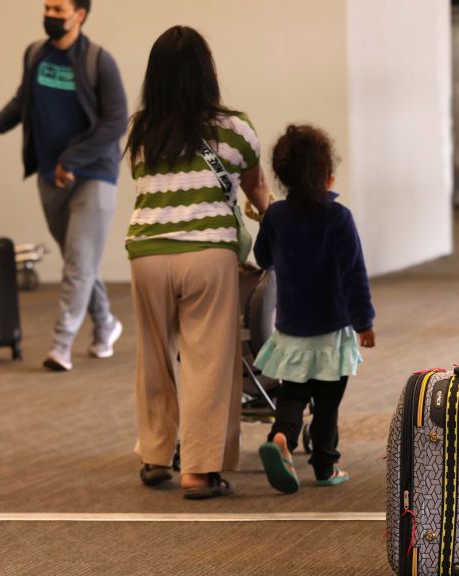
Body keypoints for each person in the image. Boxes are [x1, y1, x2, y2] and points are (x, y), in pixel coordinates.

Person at [124, 26, 272, 500]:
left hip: (147, 252)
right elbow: (259, 193)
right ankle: (201, 470)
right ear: (208, 74)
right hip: (208, 254)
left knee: (154, 355)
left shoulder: (140, 129)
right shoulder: (234, 128)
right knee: (209, 360)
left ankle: (153, 454)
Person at [0, 0, 127, 372]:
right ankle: (105, 324)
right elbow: (23, 102)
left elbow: (116, 123)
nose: (50, 15)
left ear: (80, 15)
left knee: (78, 262)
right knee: (78, 260)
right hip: (49, 174)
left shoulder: (99, 61)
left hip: (93, 176)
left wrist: (72, 160)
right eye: (47, 8)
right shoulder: (36, 54)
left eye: (59, 9)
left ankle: (61, 345)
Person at [252, 125, 376, 494]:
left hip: (291, 326)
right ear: (327, 174)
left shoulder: (275, 216)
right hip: (331, 328)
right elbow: (354, 274)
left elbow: (262, 258)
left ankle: (280, 438)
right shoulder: (338, 218)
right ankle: (325, 465)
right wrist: (364, 322)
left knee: (292, 393)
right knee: (326, 401)